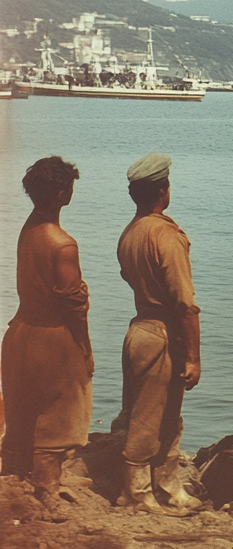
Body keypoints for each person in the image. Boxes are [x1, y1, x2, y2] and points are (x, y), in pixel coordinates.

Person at [0, 157, 92, 516]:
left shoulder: (31, 227)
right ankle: (47, 490)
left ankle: (15, 479)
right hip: (52, 338)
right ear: (61, 192)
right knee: (59, 419)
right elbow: (73, 306)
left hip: (20, 332)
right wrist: (84, 349)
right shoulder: (63, 244)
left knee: (23, 416)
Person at [114, 153, 202, 514]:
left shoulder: (131, 233)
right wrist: (195, 357)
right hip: (162, 332)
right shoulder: (165, 235)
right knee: (148, 418)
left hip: (140, 327)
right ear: (163, 191)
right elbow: (185, 302)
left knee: (167, 413)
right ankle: (137, 493)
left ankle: (168, 484)